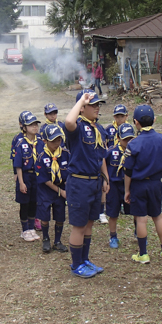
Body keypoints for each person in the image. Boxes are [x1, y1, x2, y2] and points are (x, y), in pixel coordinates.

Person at [121, 105, 162, 263]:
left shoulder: (133, 144)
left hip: (139, 185)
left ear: (135, 122)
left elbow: (127, 171)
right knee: (158, 217)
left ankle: (143, 254)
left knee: (141, 219)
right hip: (156, 185)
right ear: (154, 120)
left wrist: (127, 190)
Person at [64, 89, 109, 278]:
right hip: (79, 183)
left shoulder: (99, 129)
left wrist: (105, 178)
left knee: (90, 223)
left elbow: (101, 156)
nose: (97, 107)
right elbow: (68, 122)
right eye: (93, 104)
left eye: (99, 104)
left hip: (95, 183)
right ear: (82, 108)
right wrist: (81, 100)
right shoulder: (78, 128)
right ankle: (76, 264)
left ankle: (84, 259)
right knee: (79, 226)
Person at [35, 124, 70, 253]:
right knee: (45, 215)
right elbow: (45, 180)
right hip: (46, 190)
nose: (57, 143)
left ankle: (57, 241)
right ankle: (45, 239)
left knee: (60, 215)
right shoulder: (41, 157)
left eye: (59, 140)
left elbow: (70, 173)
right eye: (53, 140)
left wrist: (67, 189)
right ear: (45, 141)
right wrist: (61, 192)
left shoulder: (65, 154)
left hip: (62, 189)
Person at [105, 123, 135, 249]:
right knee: (113, 212)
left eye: (130, 139)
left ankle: (138, 233)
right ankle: (113, 236)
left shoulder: (135, 152)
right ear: (118, 137)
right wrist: (105, 181)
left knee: (136, 210)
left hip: (130, 184)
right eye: (125, 139)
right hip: (114, 185)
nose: (128, 142)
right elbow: (103, 166)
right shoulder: (111, 152)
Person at [13, 112, 42, 242]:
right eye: (31, 125)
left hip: (37, 177)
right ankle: (24, 229)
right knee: (24, 203)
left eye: (36, 125)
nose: (34, 127)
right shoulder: (20, 143)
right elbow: (18, 165)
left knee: (33, 203)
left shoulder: (40, 142)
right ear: (24, 127)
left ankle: (31, 228)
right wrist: (21, 182)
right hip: (25, 176)